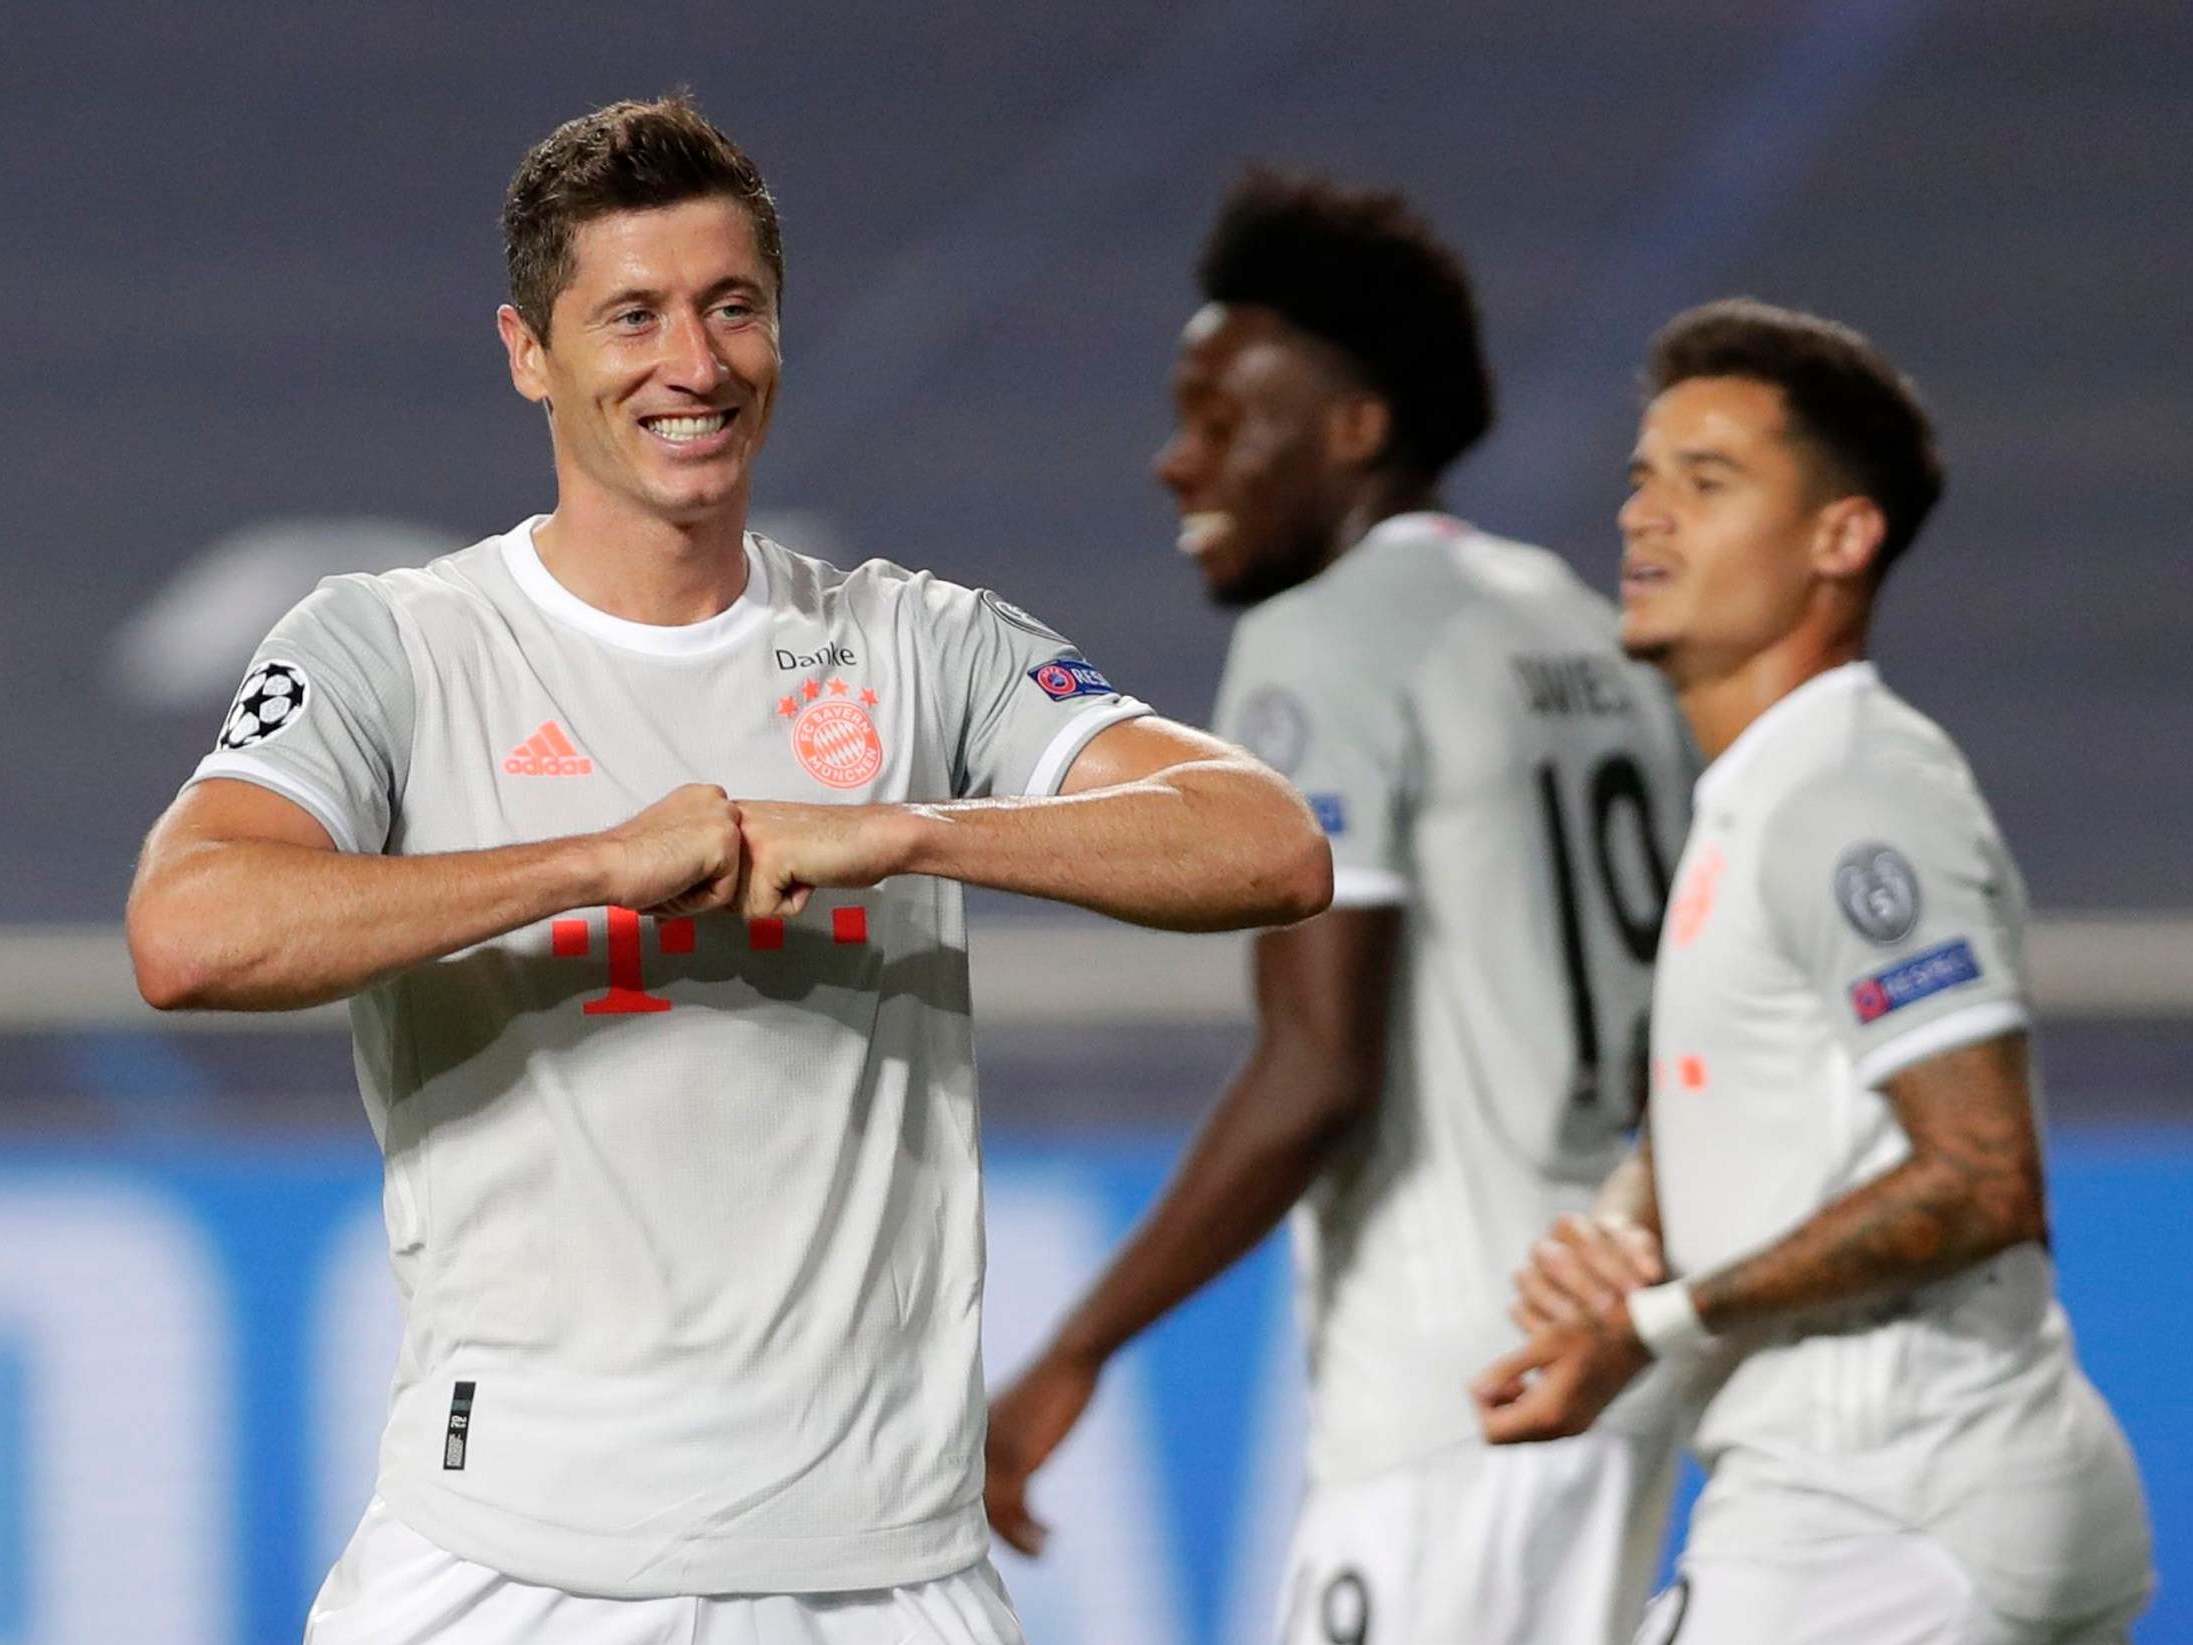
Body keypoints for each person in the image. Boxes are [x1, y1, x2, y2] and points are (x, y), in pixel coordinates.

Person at [124, 96, 1330, 1645]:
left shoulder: (917, 639)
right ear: (526, 352)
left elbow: (1266, 842)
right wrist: (594, 863)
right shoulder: (397, 646)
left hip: (884, 1572)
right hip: (517, 1565)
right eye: (630, 316)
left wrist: (909, 827)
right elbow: (191, 925)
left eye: (730, 309)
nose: (691, 365)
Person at [983, 170, 1695, 1645]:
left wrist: (1073, 1351)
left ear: (1355, 429)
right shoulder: (1590, 630)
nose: (1178, 465)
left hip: (1450, 1380)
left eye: (1223, 421)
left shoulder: (1323, 638)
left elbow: (1315, 1069)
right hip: (1614, 1343)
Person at [1475, 299, 2153, 1645]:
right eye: (1640, 477)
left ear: (1841, 539)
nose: (1642, 517)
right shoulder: (1765, 789)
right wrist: (1625, 1227)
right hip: (1925, 1488)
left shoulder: (1847, 794)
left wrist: (1652, 1320)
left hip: (1882, 1499)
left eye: (1706, 481)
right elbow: (1769, 1094)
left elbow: (1979, 1176)